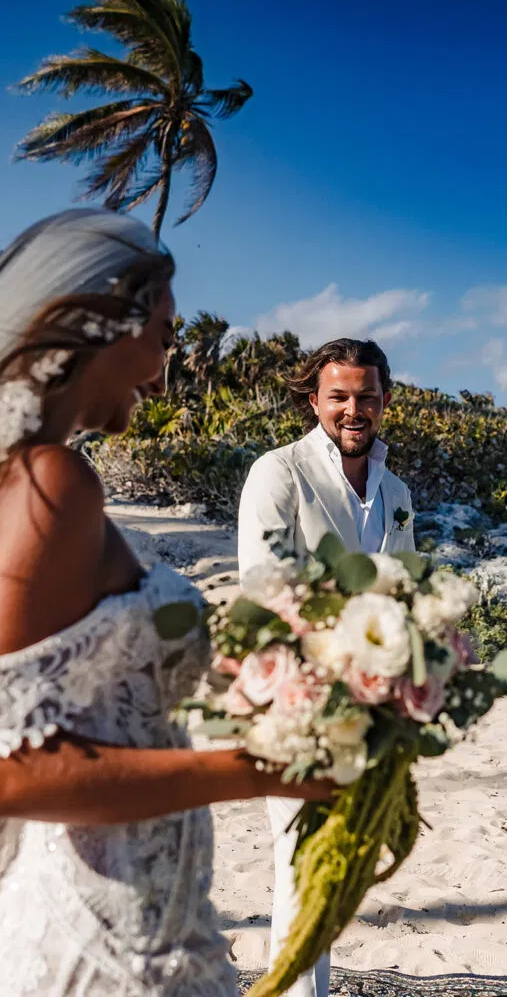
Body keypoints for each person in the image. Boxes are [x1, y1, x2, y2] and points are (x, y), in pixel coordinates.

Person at [0, 209, 331, 997]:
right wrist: (257, 770)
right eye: (162, 337)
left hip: (103, 909)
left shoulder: (9, 481)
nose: (164, 371)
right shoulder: (48, 485)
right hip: (99, 941)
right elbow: (4, 772)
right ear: (98, 325)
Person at [237, 337, 416, 997]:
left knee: (336, 871)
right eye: (337, 396)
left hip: (371, 714)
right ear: (313, 400)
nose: (352, 409)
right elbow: (266, 587)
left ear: (383, 403)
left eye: (365, 397)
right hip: (293, 701)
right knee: (296, 865)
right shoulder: (277, 473)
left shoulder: (397, 491)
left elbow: (404, 596)